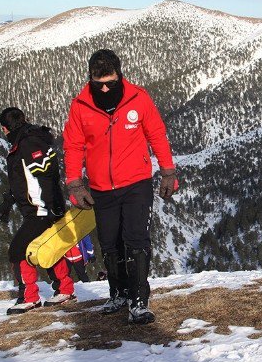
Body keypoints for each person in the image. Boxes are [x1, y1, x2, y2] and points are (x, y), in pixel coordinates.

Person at [62, 49, 177, 324]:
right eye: (98, 83)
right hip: (101, 187)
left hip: (136, 183)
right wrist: (75, 183)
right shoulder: (80, 105)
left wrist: (168, 172)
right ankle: (119, 293)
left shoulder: (138, 98)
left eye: (110, 83)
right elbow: (74, 145)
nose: (103, 88)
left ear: (120, 76)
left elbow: (156, 134)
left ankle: (139, 300)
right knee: (111, 243)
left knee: (136, 241)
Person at [0, 107, 75, 315]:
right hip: (40, 207)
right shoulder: (23, 142)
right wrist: (8, 201)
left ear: (4, 128)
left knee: (18, 250)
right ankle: (64, 289)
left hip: (41, 209)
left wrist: (52, 206)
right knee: (46, 248)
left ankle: (29, 297)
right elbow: (23, 180)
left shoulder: (28, 142)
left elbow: (45, 173)